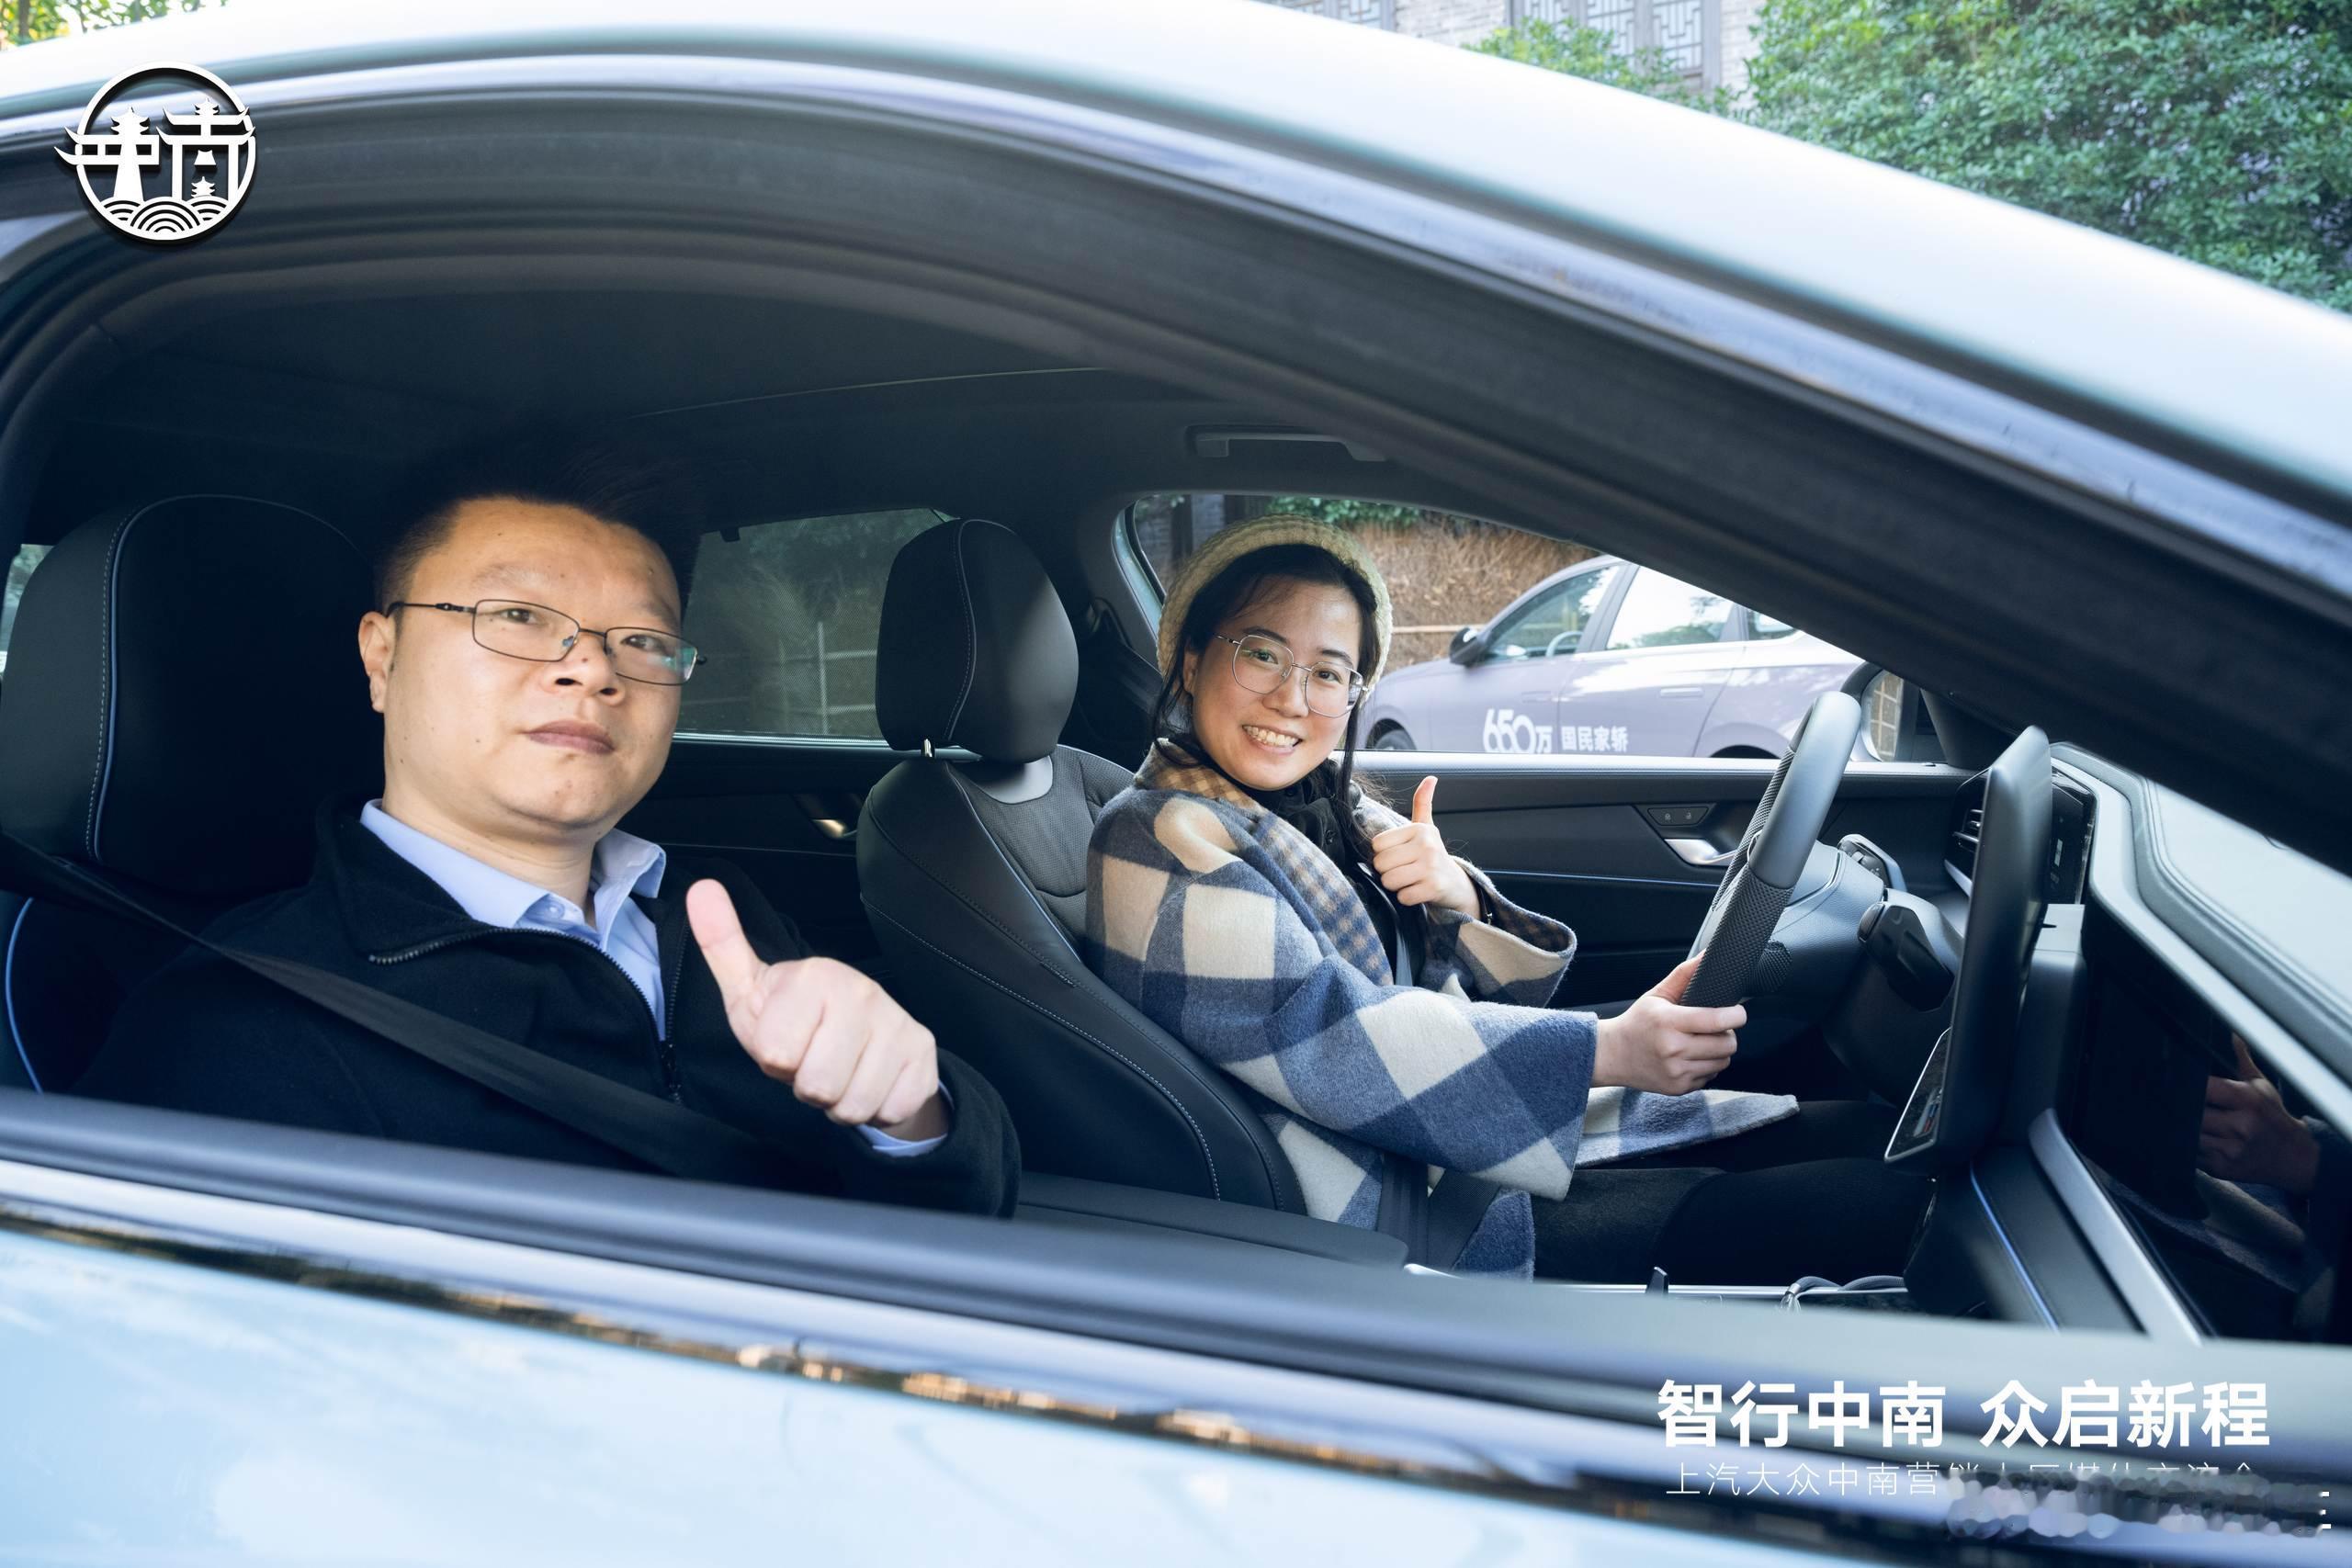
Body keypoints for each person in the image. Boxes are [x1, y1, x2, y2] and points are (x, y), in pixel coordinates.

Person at [77, 432, 1017, 1215]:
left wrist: (909, 1117)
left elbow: (969, 1206)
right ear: (381, 656)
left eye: (642, 640)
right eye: (518, 615)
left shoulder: (713, 916)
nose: (592, 669)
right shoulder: (242, 1029)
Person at [1084, 515, 1929, 1279]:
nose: (1293, 699)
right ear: (1191, 660)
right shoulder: (1153, 835)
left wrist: (1454, 895)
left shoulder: (1330, 806)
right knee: (1879, 1206)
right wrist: (1606, 1052)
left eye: (1330, 672)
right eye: (1262, 654)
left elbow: (1499, 993)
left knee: (1870, 1141)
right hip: (1397, 1207)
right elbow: (1326, 1032)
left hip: (1455, 1128)